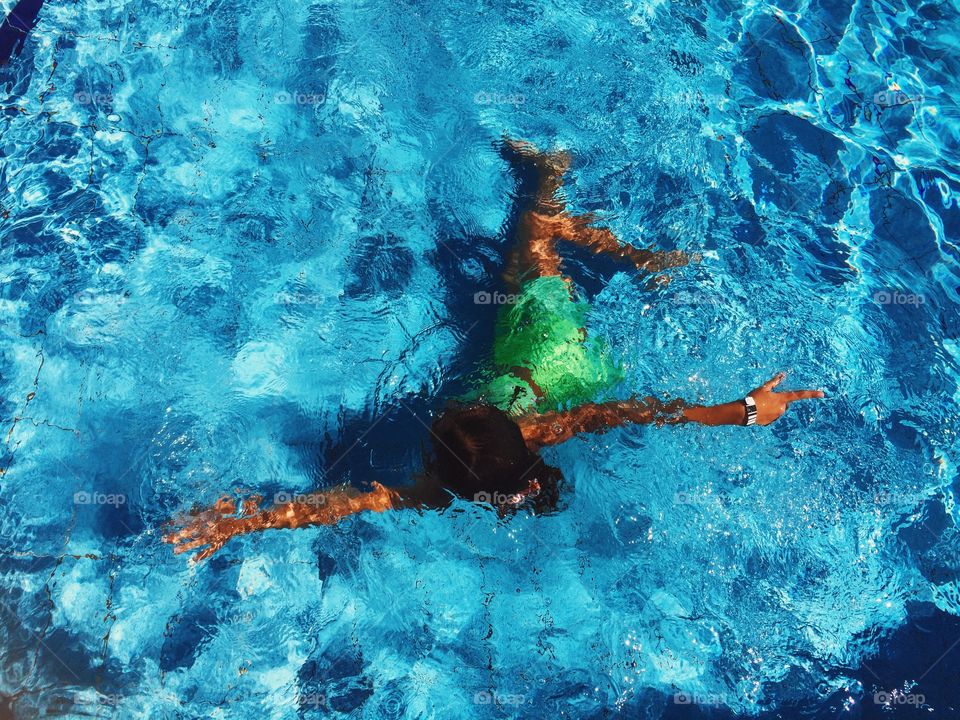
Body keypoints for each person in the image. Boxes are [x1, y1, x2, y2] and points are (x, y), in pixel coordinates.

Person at [165, 138, 825, 561]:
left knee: (527, 254)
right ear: (510, 432)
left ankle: (607, 232)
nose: (434, 423)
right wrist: (742, 410)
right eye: (450, 422)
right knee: (536, 231)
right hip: (551, 349)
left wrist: (245, 524)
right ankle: (577, 198)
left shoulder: (442, 487)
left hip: (537, 350)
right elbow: (646, 412)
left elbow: (341, 503)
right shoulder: (537, 428)